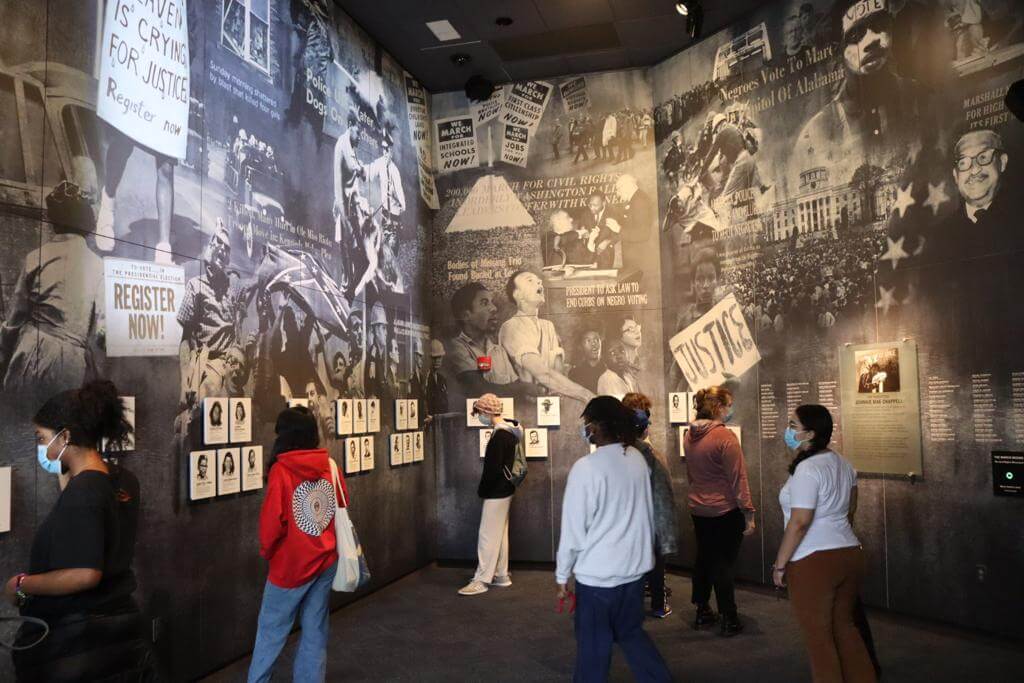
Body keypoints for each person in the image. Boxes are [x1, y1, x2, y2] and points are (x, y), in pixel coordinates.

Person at [6, 380, 151, 680]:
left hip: (77, 642)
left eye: (42, 438)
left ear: (66, 436)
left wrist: (21, 584)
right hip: (117, 631)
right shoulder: (124, 481)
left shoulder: (84, 492)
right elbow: (91, 519)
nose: (41, 447)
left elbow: (86, 573)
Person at [556, 396, 672, 682]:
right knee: (631, 633)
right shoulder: (636, 459)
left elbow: (573, 529)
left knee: (593, 647)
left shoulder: (586, 468)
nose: (586, 429)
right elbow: (646, 511)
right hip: (633, 573)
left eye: (587, 424)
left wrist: (562, 575)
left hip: (598, 577)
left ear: (595, 426)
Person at [772, 405, 876, 683]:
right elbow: (850, 511)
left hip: (813, 560)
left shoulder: (807, 469)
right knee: (845, 628)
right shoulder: (843, 463)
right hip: (849, 553)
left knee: (818, 639)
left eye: (794, 426)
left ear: (811, 433)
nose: (789, 431)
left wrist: (780, 565)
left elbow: (800, 522)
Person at [248, 406, 348, 683]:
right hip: (326, 559)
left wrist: (268, 553)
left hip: (290, 566)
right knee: (315, 630)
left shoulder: (281, 470)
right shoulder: (330, 465)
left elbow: (271, 526)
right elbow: (340, 504)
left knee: (271, 631)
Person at [0, 180, 104, 406]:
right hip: (70, 365)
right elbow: (100, 332)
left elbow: (14, 320)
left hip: (30, 353)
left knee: (22, 429)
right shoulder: (98, 267)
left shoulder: (36, 257)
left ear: (53, 219)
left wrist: (5, 354)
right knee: (56, 434)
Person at [683, 386, 756, 636]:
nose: (730, 409)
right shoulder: (725, 438)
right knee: (723, 563)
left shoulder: (689, 435)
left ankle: (702, 609)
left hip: (699, 508)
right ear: (719, 407)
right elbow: (738, 478)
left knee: (704, 558)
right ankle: (729, 616)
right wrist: (748, 511)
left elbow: (691, 474)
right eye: (729, 404)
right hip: (724, 510)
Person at [622, 392, 679, 620]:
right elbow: (663, 495)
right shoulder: (650, 454)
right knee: (655, 561)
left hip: (626, 518)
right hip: (647, 517)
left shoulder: (616, 451)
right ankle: (658, 603)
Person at [498, 271, 594, 402]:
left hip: (548, 406)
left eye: (538, 280)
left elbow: (557, 371)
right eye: (530, 280)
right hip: (522, 409)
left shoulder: (548, 326)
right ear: (517, 294)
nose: (539, 282)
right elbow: (543, 374)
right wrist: (588, 396)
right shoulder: (510, 327)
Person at [459, 394, 521, 596]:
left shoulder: (499, 436)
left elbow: (492, 470)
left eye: (478, 412)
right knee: (500, 534)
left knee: (487, 535)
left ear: (487, 412)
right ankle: (501, 575)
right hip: (507, 489)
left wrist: (482, 490)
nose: (478, 416)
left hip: (496, 491)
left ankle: (482, 579)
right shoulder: (511, 432)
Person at [568, 329, 605, 394]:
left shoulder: (608, 370)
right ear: (581, 346)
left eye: (596, 340)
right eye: (588, 341)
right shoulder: (575, 373)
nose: (594, 344)